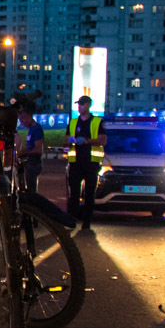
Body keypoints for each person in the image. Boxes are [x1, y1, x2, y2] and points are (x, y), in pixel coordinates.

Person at [64, 95, 106, 231]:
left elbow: (102, 141)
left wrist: (87, 141)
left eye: (82, 104)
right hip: (75, 163)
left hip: (91, 163)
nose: (79, 107)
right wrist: (70, 140)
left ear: (88, 105)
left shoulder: (98, 122)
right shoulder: (73, 122)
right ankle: (71, 220)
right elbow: (64, 141)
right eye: (78, 104)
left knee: (89, 194)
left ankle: (86, 222)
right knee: (74, 194)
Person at [15, 100, 44, 195]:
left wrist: (23, 153)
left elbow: (38, 149)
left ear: (26, 117)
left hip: (33, 164)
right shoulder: (32, 129)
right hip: (30, 164)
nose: (22, 123)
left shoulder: (36, 129)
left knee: (31, 190)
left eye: (22, 121)